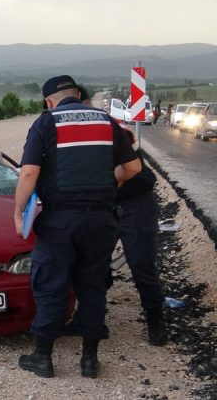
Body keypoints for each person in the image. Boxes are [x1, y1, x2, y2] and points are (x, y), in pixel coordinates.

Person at [14, 75, 141, 379]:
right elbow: (134, 167)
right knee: (93, 286)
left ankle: (43, 358)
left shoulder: (47, 122)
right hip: (101, 220)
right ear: (79, 96)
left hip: (60, 220)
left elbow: (30, 173)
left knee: (51, 285)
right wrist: (113, 183)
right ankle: (89, 361)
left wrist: (18, 212)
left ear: (49, 101)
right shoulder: (107, 122)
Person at [64, 127, 168, 346]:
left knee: (141, 264)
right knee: (92, 264)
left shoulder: (116, 134)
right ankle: (88, 320)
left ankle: (155, 321)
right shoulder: (71, 140)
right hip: (105, 204)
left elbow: (130, 172)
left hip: (136, 202)